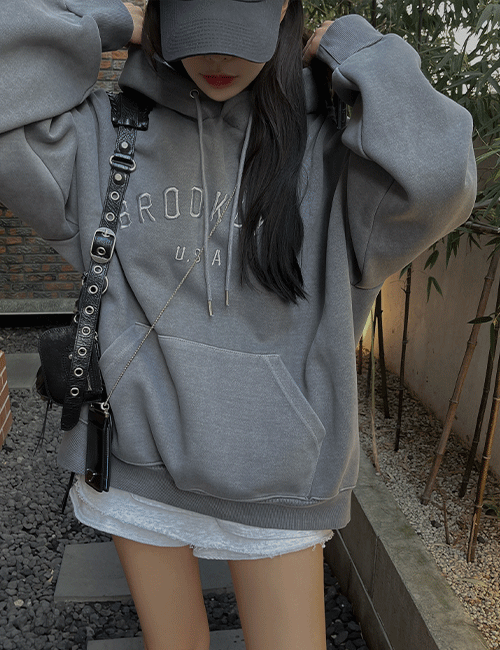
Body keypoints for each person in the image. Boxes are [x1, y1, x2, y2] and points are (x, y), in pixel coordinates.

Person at [0, 0, 476, 648]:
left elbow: (443, 176)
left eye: (237, 34)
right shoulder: (106, 135)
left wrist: (358, 50)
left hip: (277, 479)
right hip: (135, 462)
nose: (219, 57)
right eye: (199, 30)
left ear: (282, 9)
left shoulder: (335, 154)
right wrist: (104, 19)